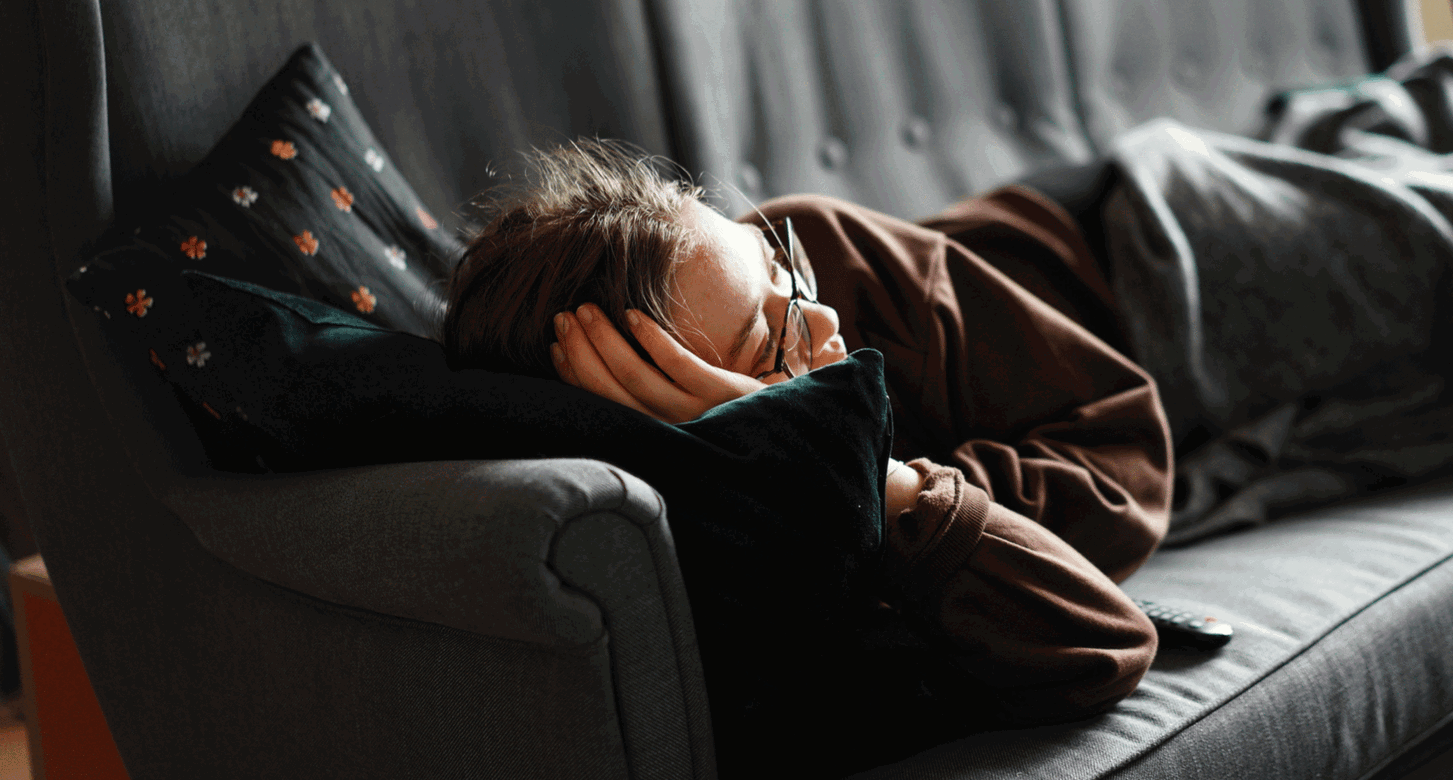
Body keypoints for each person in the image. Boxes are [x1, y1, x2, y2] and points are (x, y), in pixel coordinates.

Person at [441, 140, 1173, 728]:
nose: (821, 321)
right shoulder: (752, 530)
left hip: (1139, 232)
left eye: (776, 265)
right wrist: (861, 472)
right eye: (770, 344)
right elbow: (1105, 642)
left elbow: (1128, 451)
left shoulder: (825, 247)